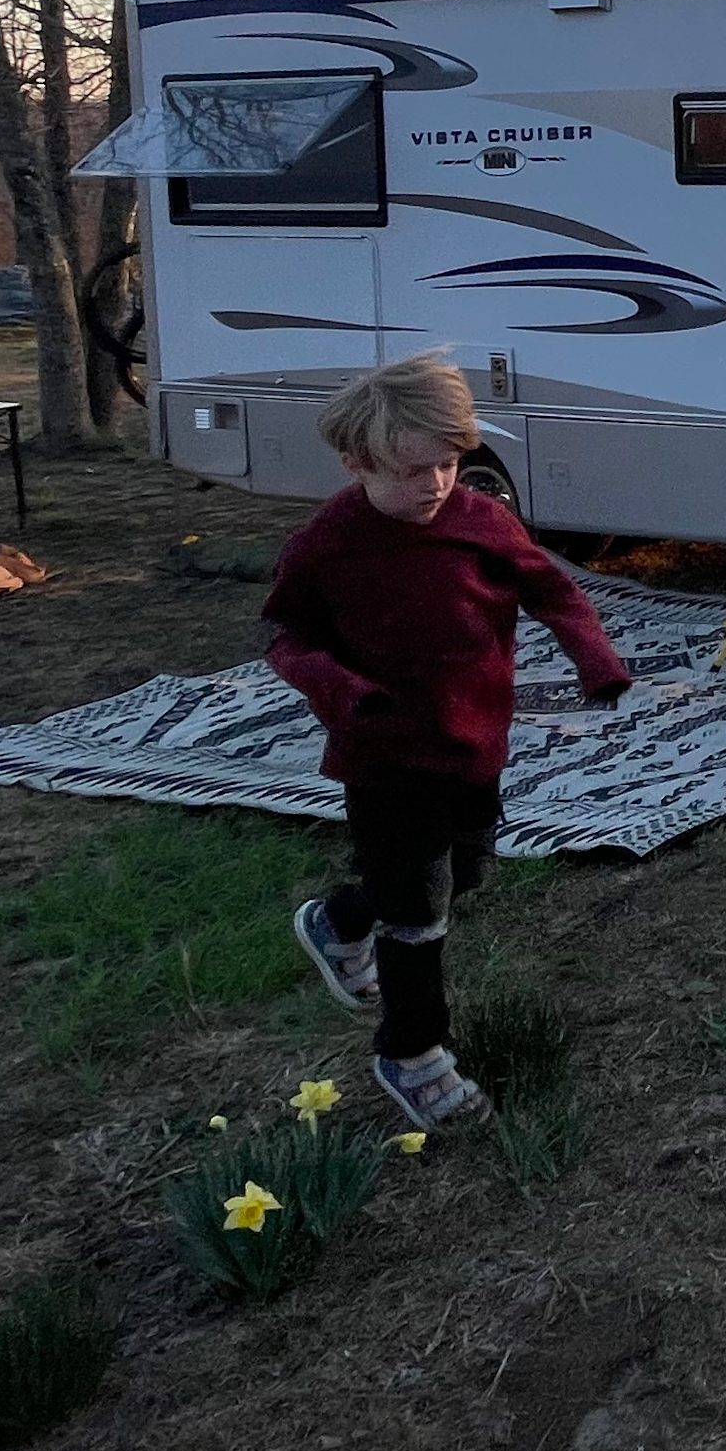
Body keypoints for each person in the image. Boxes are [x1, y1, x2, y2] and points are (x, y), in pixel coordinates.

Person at [262, 353, 632, 1129]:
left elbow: (553, 588)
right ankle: (413, 1054)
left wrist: (593, 656)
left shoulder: (480, 520)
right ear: (357, 460)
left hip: (473, 742)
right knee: (420, 915)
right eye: (414, 468)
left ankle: (339, 922)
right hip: (384, 754)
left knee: (467, 872)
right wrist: (342, 690)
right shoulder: (329, 543)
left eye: (451, 463)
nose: (436, 483)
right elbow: (284, 633)